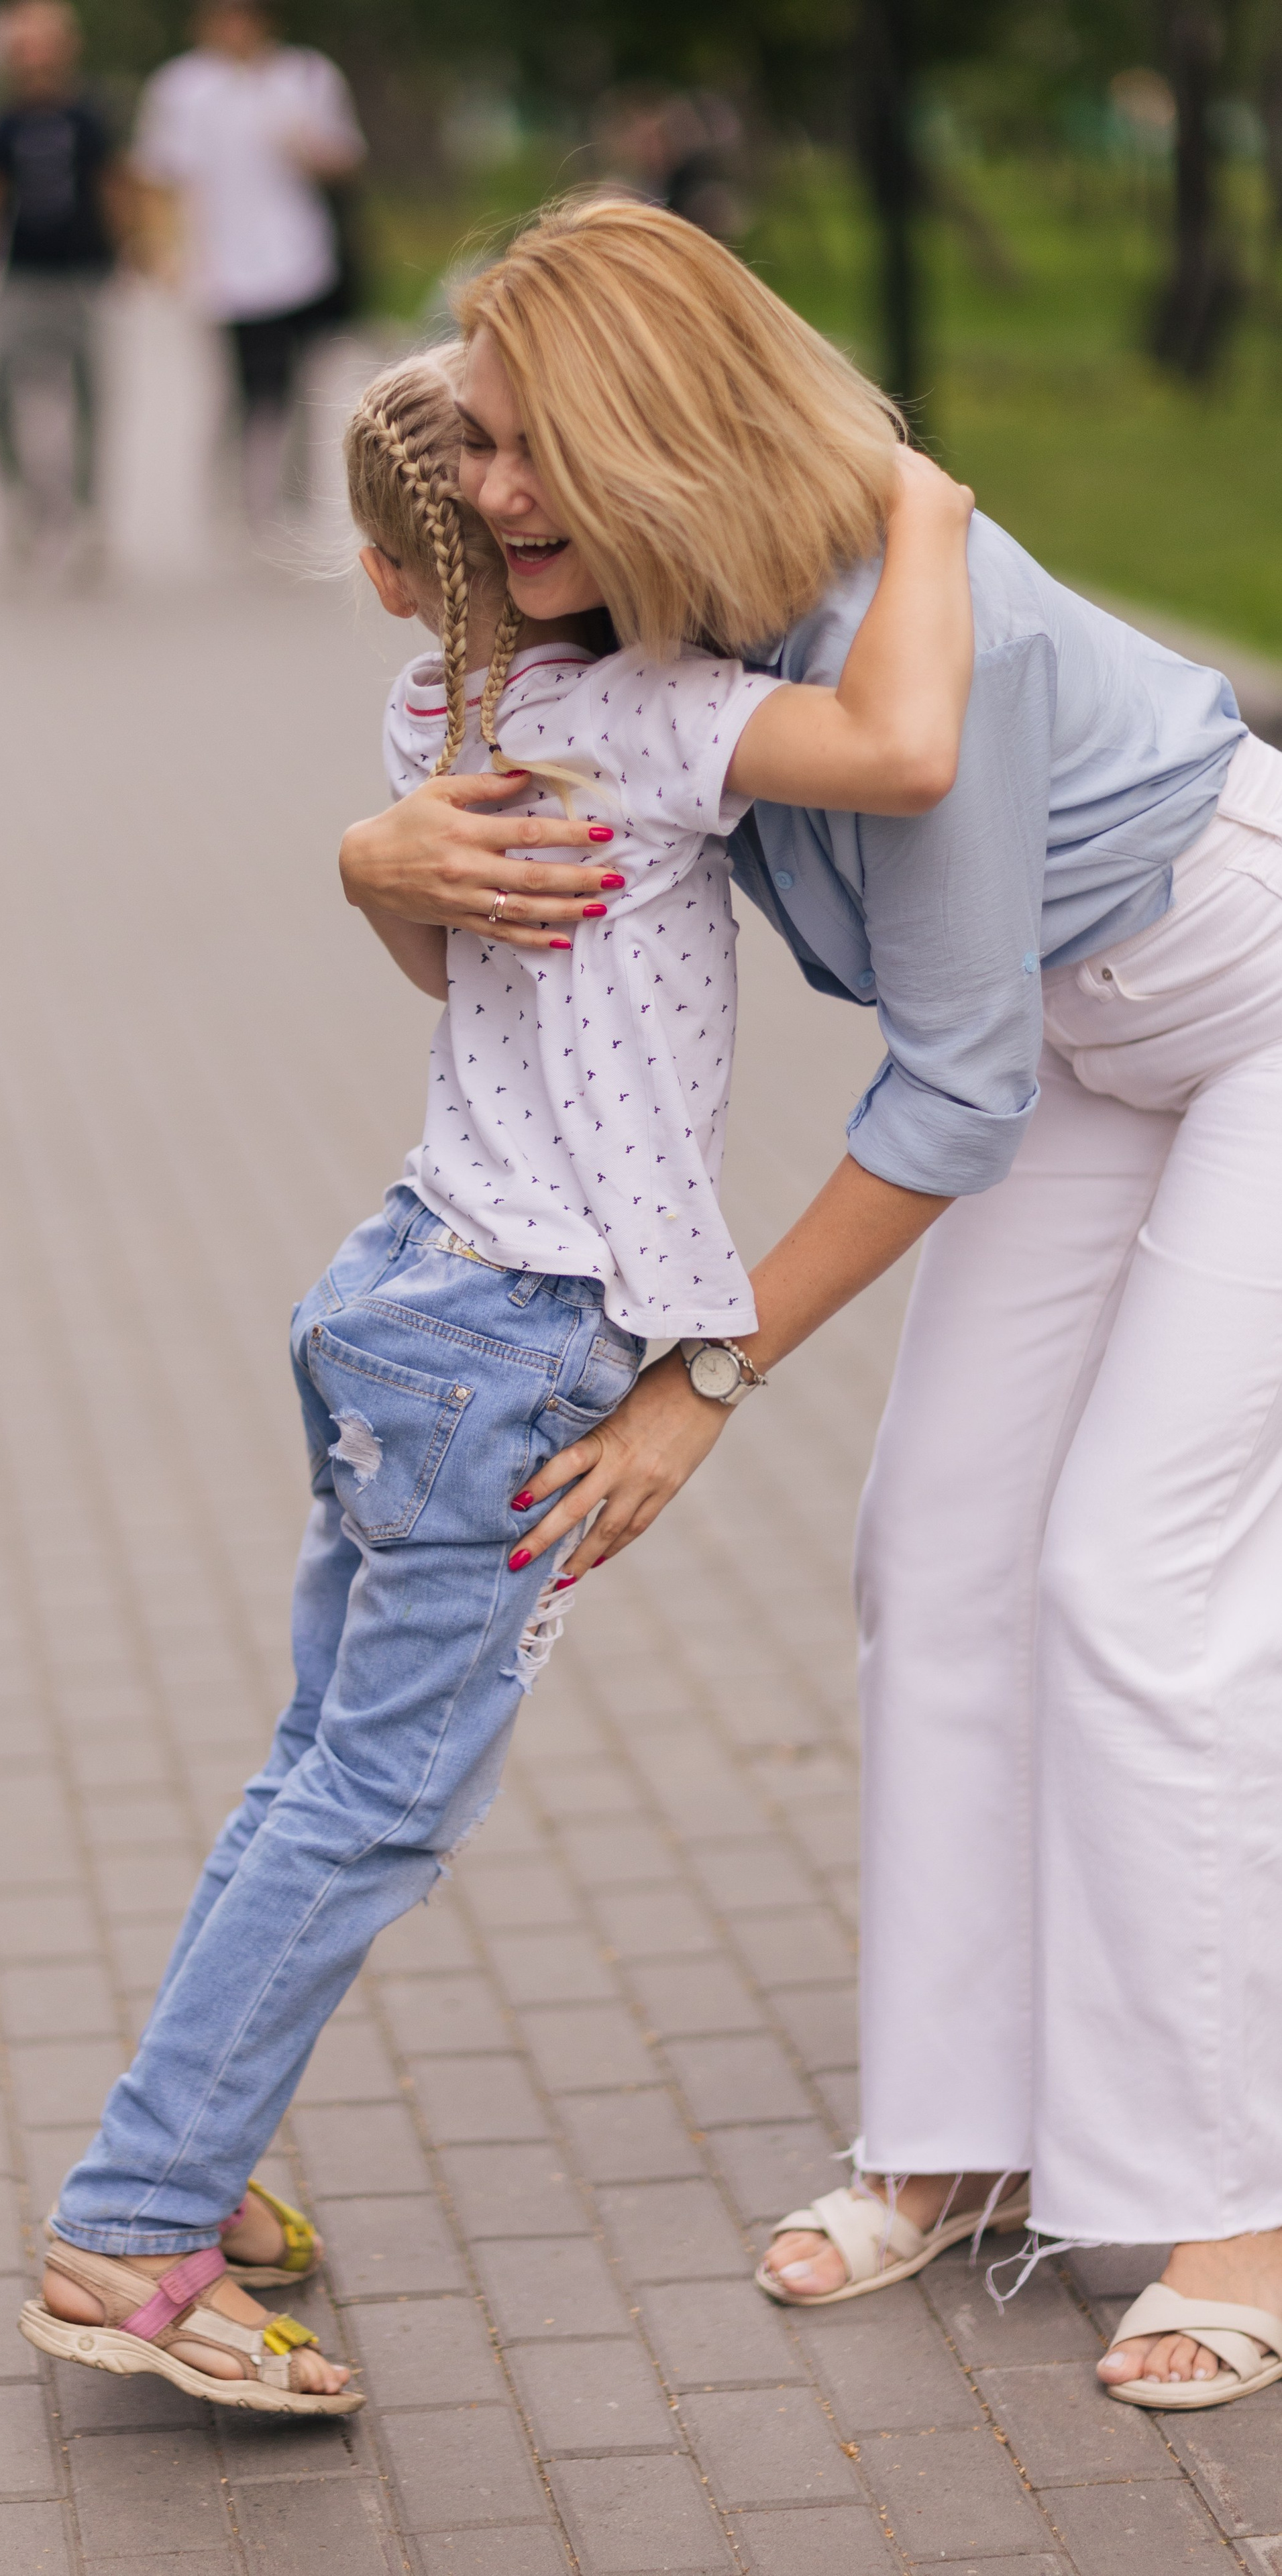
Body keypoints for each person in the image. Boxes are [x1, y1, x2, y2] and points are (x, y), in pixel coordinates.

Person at [337, 198, 1282, 2414]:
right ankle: (961, 2143)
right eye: (473, 445)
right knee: (936, 1557)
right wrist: (363, 857)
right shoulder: (649, 643)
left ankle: (1231, 2188)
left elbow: (944, 1088)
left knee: (1130, 1581)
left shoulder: (883, 615)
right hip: (1057, 1047)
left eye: (532, 446)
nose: (492, 496)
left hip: (1243, 1008)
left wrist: (703, 1377)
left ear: (659, 429)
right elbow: (519, 954)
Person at [16, 341, 978, 2414]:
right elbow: (904, 748)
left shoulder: (432, 705)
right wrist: (914, 503)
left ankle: (191, 2131)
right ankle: (134, 2221)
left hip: (403, 1287)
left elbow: (449, 940)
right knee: (374, 1800)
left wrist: (367, 854)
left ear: (385, 582)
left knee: (315, 1768)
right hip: (516, 1337)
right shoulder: (638, 716)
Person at [133, 1, 364, 536]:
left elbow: (347, 158)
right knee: (239, 388)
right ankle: (235, 497)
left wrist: (312, 152)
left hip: (301, 257)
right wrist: (162, 249)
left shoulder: (307, 76)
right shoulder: (181, 88)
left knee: (299, 383)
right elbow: (159, 176)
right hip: (222, 266)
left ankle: (290, 500)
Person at [0, 1, 131, 572]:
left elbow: (114, 187)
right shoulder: (1, 122)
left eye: (45, 42)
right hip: (21, 277)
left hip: (84, 274)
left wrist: (137, 253)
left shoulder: (90, 116)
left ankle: (87, 516)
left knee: (91, 398)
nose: (35, 55)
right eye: (24, 45)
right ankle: (25, 503)